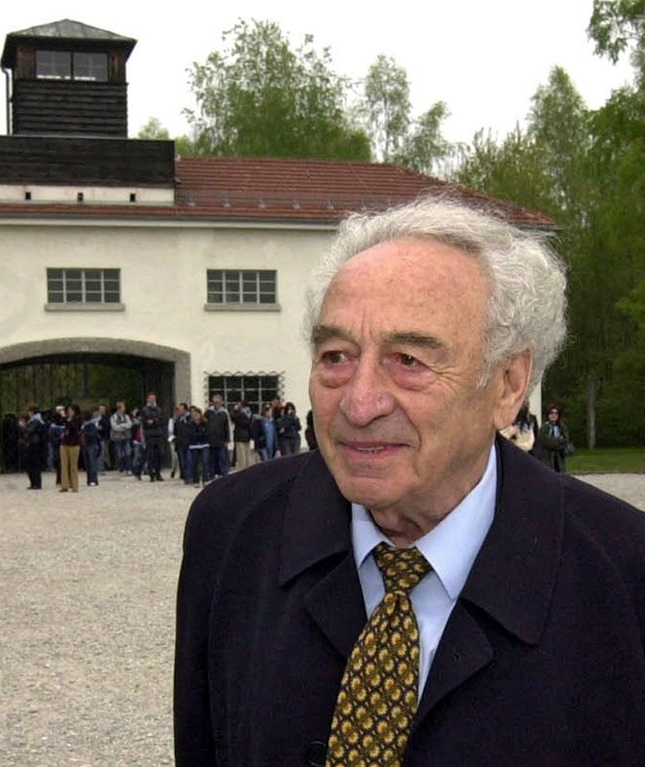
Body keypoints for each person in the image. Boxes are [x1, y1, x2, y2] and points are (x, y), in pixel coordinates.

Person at [174, 198, 645, 765]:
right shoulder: (230, 528)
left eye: (409, 360)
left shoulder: (624, 570)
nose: (359, 402)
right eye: (336, 355)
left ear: (507, 385)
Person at [536, 403, 570, 472]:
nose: (554, 415)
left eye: (556, 413)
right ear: (548, 414)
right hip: (547, 459)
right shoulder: (545, 427)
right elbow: (546, 441)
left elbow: (565, 441)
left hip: (559, 458)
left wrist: (557, 443)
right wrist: (558, 441)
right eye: (551, 413)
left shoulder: (562, 427)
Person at [141, 392, 166, 482]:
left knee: (159, 455)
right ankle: (151, 474)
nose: (152, 400)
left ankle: (158, 473)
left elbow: (161, 420)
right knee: (151, 456)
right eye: (150, 398)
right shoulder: (144, 410)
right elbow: (145, 423)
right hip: (150, 435)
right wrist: (154, 422)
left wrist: (154, 421)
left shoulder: (159, 409)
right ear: (148, 399)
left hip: (158, 434)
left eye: (153, 399)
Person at [205, 395, 230, 478]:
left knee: (222, 458)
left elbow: (226, 427)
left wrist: (227, 439)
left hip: (221, 440)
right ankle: (211, 474)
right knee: (211, 458)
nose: (216, 404)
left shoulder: (224, 413)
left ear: (221, 402)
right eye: (215, 402)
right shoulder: (209, 412)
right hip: (211, 439)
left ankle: (224, 473)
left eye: (218, 402)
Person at [59, 403, 83, 492]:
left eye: (71, 410)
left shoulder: (78, 419)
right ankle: (64, 485)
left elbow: (73, 427)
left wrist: (65, 418)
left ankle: (74, 485)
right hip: (64, 442)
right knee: (64, 465)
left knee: (73, 465)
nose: (69, 412)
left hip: (74, 443)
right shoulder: (66, 419)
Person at [185, 407, 211, 487]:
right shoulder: (190, 424)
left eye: (196, 414)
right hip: (194, 445)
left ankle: (206, 479)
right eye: (193, 415)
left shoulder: (205, 423)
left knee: (205, 462)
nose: (195, 416)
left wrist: (202, 436)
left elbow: (208, 433)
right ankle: (196, 480)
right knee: (195, 463)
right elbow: (189, 435)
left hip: (204, 444)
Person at [23, 404, 47, 490]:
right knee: (31, 465)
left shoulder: (36, 421)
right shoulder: (34, 420)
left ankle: (36, 483)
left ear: (32, 412)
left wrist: (23, 427)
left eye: (29, 411)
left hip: (34, 445)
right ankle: (34, 483)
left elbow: (29, 431)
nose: (28, 413)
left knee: (34, 465)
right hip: (33, 444)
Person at [110, 401, 133, 474]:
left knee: (128, 452)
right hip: (118, 438)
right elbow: (114, 427)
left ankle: (128, 468)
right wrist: (124, 426)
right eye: (123, 407)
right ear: (119, 408)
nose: (124, 409)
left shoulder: (126, 416)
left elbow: (130, 424)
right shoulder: (113, 417)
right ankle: (121, 467)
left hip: (126, 437)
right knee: (120, 453)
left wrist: (121, 426)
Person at [231, 402, 255, 470]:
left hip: (240, 437)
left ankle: (243, 470)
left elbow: (232, 417)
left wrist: (235, 410)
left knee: (241, 458)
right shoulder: (249, 414)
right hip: (247, 437)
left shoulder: (240, 414)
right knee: (247, 457)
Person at [82, 408, 103, 487]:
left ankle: (93, 479)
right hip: (86, 445)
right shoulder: (84, 425)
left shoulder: (91, 425)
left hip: (91, 445)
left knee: (92, 463)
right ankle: (89, 479)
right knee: (87, 464)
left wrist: (84, 434)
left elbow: (92, 434)